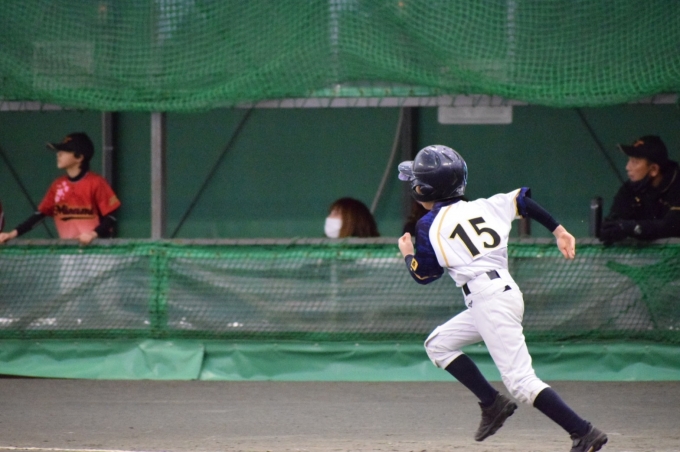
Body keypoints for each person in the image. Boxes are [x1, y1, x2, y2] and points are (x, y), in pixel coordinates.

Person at [396, 145, 607, 452]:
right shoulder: (487, 205)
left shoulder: (429, 224)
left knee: (521, 383)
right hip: (499, 294)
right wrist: (559, 231)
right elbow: (523, 201)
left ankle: (584, 432)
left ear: (422, 190)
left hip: (489, 300)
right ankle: (492, 403)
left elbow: (424, 275)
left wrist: (408, 254)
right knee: (438, 344)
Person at [0, 132, 121, 246]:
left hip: (97, 250)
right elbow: (39, 215)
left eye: (65, 151)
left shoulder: (96, 182)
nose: (58, 154)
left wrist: (93, 234)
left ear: (79, 157)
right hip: (68, 251)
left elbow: (112, 216)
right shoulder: (57, 185)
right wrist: (11, 234)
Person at [599, 135, 680, 244]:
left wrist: (633, 228)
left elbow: (672, 226)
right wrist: (611, 229)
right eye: (629, 160)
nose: (627, 167)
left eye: (634, 161)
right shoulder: (630, 188)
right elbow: (615, 219)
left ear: (654, 169)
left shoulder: (677, 186)